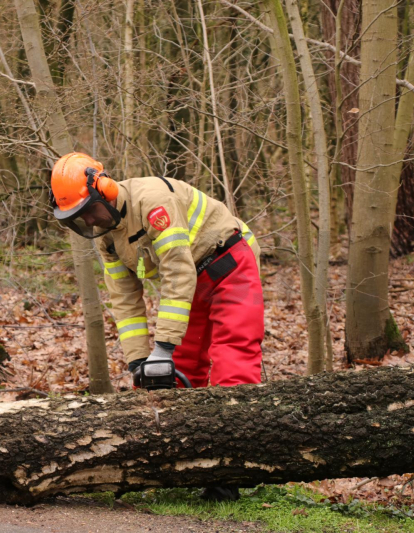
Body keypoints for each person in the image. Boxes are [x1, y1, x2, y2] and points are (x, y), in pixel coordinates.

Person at [50, 152, 264, 501]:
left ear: (104, 189)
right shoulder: (107, 238)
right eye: (79, 218)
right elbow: (124, 299)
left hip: (229, 263)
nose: (88, 220)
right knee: (184, 368)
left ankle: (230, 470)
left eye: (89, 210)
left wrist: (162, 346)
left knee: (232, 359)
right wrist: (138, 361)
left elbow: (177, 271)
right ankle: (181, 462)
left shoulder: (153, 203)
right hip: (193, 279)